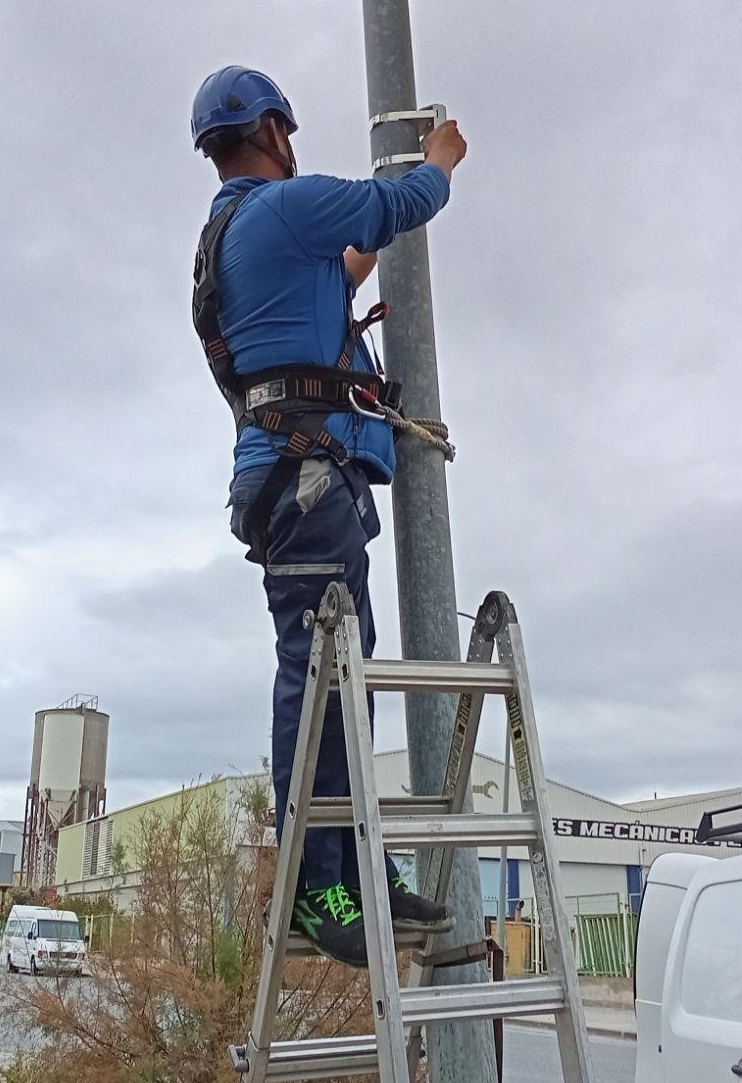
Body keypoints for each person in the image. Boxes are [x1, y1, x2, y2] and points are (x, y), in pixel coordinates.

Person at [191, 65, 467, 968]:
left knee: (338, 684)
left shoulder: (246, 233)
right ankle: (320, 888)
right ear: (272, 130)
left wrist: (367, 247)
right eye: (288, 130)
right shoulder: (276, 209)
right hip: (306, 480)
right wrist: (440, 161)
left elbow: (346, 262)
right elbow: (394, 203)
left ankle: (357, 869)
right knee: (318, 682)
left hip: (304, 480)